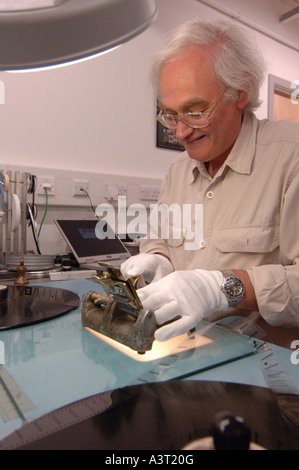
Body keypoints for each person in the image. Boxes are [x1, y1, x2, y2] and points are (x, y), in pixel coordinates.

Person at [121, 19, 299, 344]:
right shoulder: (177, 172)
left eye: (195, 110)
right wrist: (158, 260)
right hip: (186, 356)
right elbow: (158, 240)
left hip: (266, 375)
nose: (180, 132)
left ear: (240, 91)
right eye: (170, 114)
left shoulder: (292, 157)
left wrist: (223, 288)